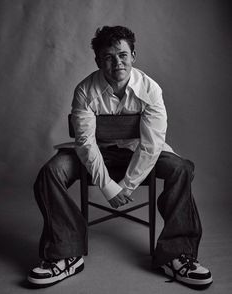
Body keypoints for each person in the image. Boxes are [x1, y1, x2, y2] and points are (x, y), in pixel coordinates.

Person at [27, 25, 213, 288]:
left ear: (133, 55)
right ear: (98, 60)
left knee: (181, 168)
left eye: (123, 55)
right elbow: (86, 143)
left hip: (139, 154)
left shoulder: (151, 89)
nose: (117, 63)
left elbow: (151, 145)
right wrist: (108, 186)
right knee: (50, 173)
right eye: (109, 57)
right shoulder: (85, 90)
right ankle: (66, 253)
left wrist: (126, 186)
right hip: (97, 154)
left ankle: (177, 255)